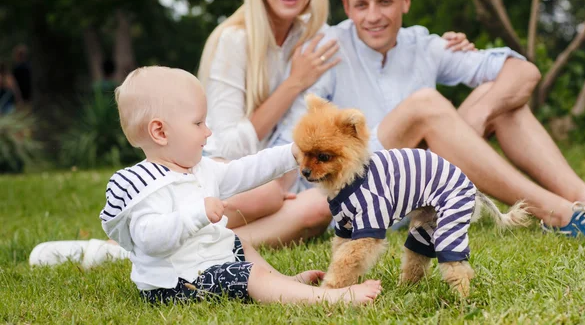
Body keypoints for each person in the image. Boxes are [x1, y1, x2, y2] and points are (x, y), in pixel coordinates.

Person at [272, 0, 585, 238]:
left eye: (384, 1)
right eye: (362, 5)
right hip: (356, 193)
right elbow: (295, 140)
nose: (373, 16)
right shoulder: (327, 50)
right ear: (346, 5)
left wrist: (481, 116)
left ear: (405, 0)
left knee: (498, 96)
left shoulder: (424, 45)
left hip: (419, 186)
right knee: (424, 106)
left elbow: (524, 71)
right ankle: (556, 213)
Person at [197, 0, 475, 247]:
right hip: (238, 172)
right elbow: (228, 147)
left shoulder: (314, 37)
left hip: (288, 173)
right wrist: (294, 83)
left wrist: (449, 42)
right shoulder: (235, 40)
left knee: (311, 211)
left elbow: (374, 36)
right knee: (270, 198)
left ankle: (216, 247)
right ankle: (182, 237)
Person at [99, 65, 382, 305]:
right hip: (176, 283)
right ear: (160, 131)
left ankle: (283, 283)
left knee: (238, 243)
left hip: (207, 264)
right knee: (249, 276)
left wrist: (290, 153)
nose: (208, 131)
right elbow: (150, 239)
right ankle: (330, 298)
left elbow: (247, 170)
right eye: (198, 123)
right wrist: (197, 214)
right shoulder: (143, 185)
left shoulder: (200, 169)